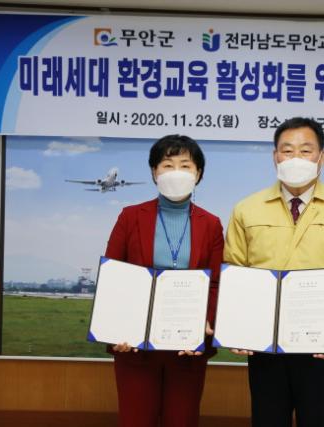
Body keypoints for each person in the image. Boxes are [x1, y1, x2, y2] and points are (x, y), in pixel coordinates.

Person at [223, 117, 324, 427]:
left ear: (322, 157)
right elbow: (235, 272)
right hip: (264, 346)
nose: (296, 158)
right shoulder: (247, 209)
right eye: (287, 150)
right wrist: (238, 325)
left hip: (322, 343)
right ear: (275, 157)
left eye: (306, 150)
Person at [104, 135, 224, 427]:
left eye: (185, 165)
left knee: (182, 419)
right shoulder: (130, 217)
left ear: (198, 174)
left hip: (188, 345)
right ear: (154, 172)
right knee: (136, 419)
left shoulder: (211, 224)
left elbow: (216, 283)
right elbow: (113, 276)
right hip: (135, 344)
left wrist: (206, 324)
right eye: (167, 165)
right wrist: (115, 328)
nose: (176, 172)